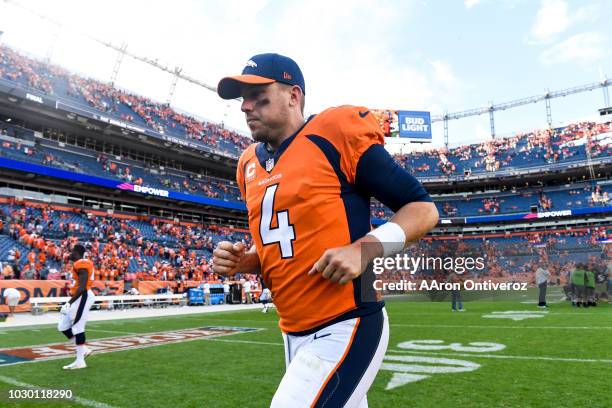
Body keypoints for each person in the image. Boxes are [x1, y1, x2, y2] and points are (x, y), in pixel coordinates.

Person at [213, 53, 438, 407]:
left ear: (294, 95)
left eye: (259, 96)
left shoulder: (333, 133)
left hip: (349, 320)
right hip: (292, 330)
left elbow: (423, 209)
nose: (246, 107)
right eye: (243, 98)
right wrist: (244, 262)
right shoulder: (247, 165)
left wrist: (362, 249)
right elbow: (280, 248)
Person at [57, 244, 95, 370]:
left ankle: (80, 361)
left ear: (77, 252)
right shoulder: (79, 263)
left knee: (78, 327)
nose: (70, 253)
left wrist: (69, 302)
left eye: (72, 251)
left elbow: (83, 286)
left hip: (83, 296)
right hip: (78, 297)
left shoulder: (82, 263)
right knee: (63, 326)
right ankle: (83, 349)